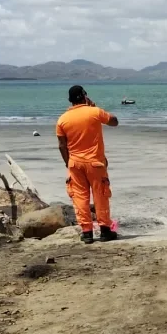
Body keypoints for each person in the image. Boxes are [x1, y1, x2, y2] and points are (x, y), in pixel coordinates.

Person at [56, 86, 119, 244]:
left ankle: (87, 233)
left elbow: (62, 146)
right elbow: (114, 122)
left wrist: (68, 164)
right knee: (101, 195)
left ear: (70, 101)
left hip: (75, 164)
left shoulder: (62, 119)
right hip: (95, 163)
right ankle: (105, 230)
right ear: (85, 96)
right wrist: (94, 107)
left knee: (80, 197)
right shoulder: (95, 112)